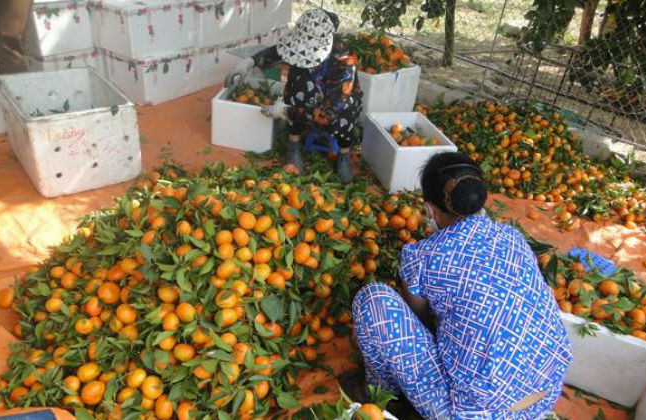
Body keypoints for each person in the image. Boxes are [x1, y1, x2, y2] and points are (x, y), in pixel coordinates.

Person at [345, 152, 573, 420]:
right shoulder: (514, 238)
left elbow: (422, 323)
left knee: (373, 301)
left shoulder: (422, 256)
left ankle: (384, 395)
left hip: (474, 414)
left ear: (429, 209)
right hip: (544, 399)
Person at [225, 9, 362, 182]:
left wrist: (285, 111)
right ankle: (294, 144)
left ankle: (344, 154)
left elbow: (329, 114)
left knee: (345, 113)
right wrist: (250, 62)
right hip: (311, 88)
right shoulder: (301, 44)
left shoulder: (344, 60)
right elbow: (278, 52)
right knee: (297, 88)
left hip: (336, 102)